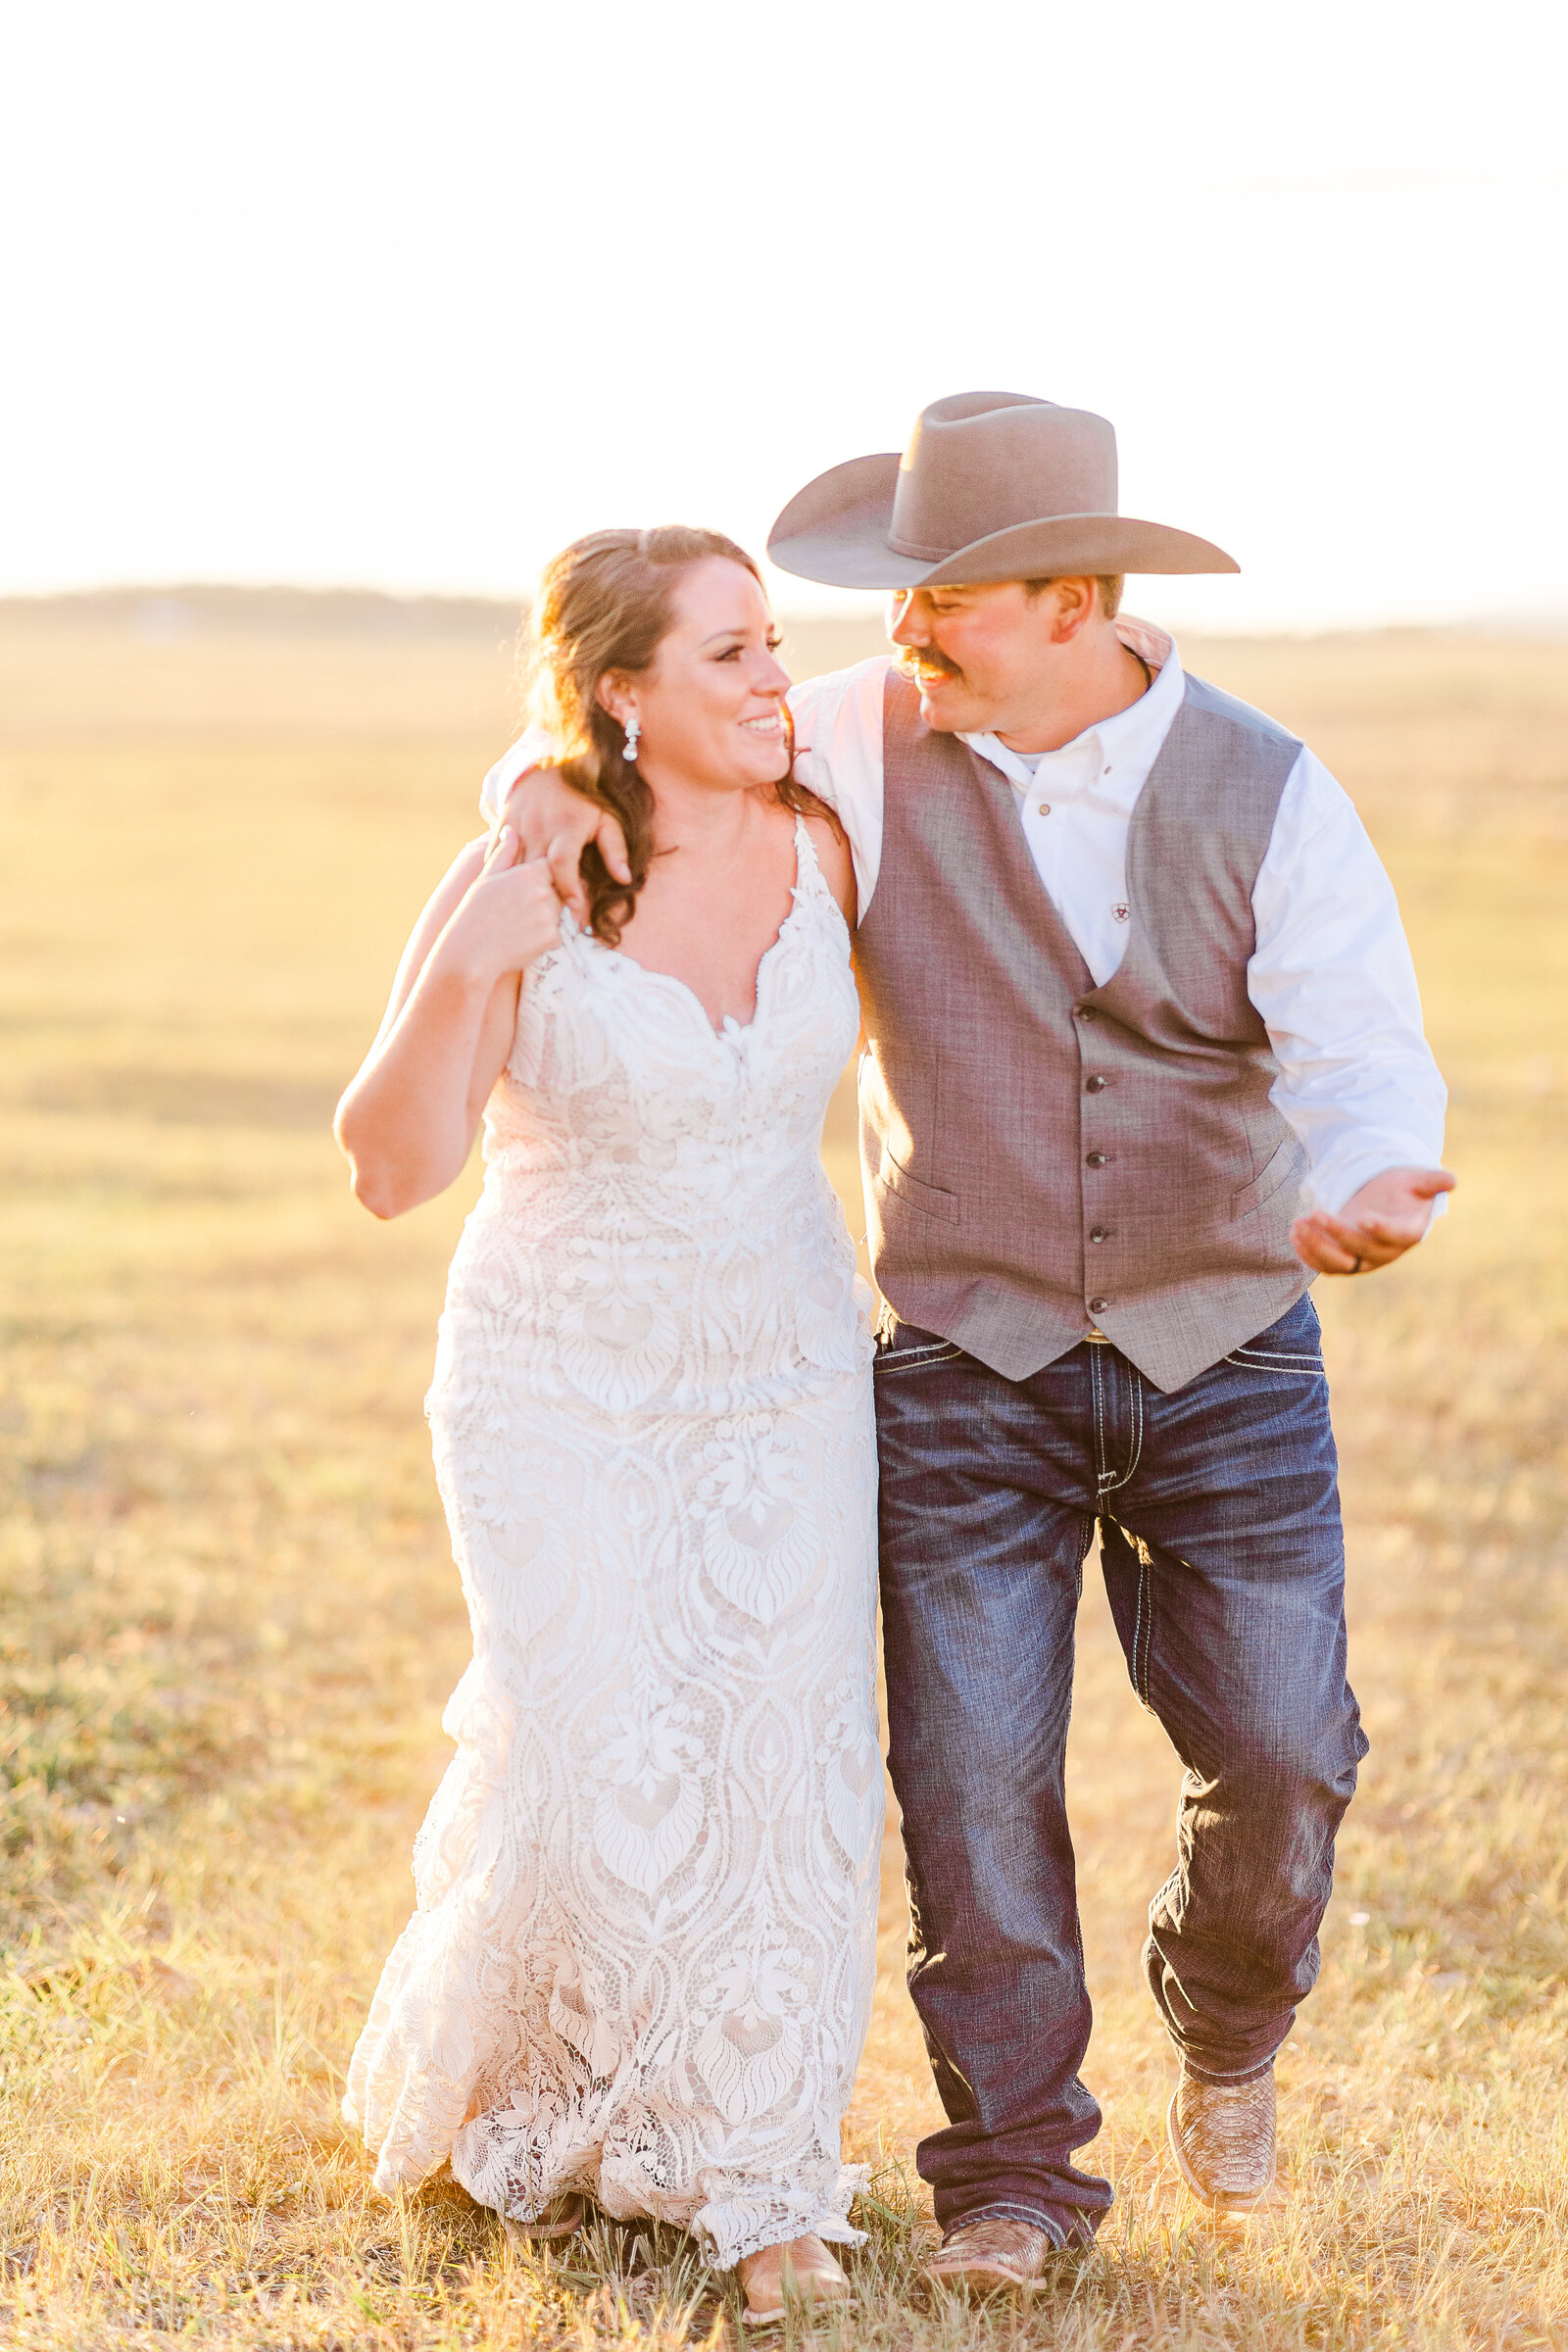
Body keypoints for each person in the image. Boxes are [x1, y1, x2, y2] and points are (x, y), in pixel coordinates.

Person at [484, 395, 1453, 2300]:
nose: (901, 633)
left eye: (944, 602)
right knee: (970, 1781)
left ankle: (1229, 2018)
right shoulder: (848, 734)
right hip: (957, 1350)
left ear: (1072, 595)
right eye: (898, 600)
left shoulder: (1271, 788)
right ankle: (1008, 2181)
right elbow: (649, 768)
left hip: (1221, 1343)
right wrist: (540, 794)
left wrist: (1362, 1177)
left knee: (1279, 1758)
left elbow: (1356, 1048)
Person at [335, 526, 883, 2327]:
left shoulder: (833, 830)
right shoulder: (522, 866)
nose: (773, 678)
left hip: (785, 1376)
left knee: (780, 1772)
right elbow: (390, 1166)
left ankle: (764, 2179)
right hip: (553, 1381)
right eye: (727, 654)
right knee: (588, 1771)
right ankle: (557, 2087)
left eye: (774, 642)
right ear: (622, 694)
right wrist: (469, 956)